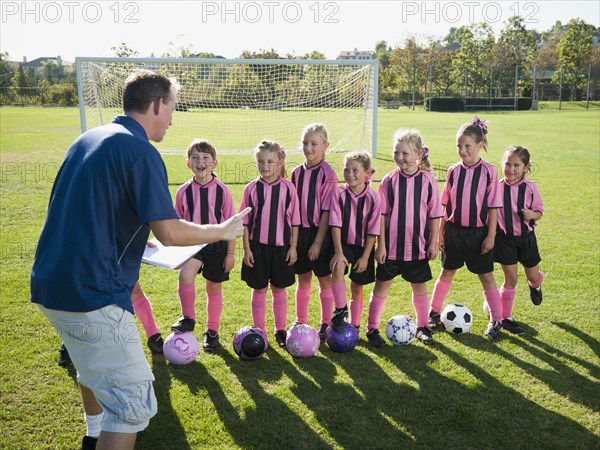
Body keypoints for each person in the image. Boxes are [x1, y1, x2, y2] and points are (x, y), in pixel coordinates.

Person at [30, 70, 249, 450]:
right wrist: (223, 230)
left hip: (51, 285)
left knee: (90, 366)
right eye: (172, 108)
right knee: (132, 406)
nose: (172, 119)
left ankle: (93, 432)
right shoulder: (140, 150)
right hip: (93, 292)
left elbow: (88, 210)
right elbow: (170, 231)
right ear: (156, 104)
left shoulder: (86, 139)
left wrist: (130, 242)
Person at [428, 116, 504, 340]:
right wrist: (441, 232)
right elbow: (445, 204)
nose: (462, 151)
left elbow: (493, 208)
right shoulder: (453, 171)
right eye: (459, 146)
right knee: (446, 272)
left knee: (486, 276)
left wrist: (491, 236)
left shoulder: (490, 171)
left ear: (480, 145)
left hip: (478, 234)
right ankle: (433, 313)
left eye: (467, 146)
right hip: (453, 231)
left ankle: (496, 319)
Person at [366, 130, 442, 347]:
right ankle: (372, 328)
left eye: (405, 153)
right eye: (396, 152)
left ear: (418, 154)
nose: (400, 157)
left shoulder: (427, 181)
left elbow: (435, 214)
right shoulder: (389, 181)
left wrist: (433, 242)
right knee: (381, 287)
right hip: (390, 249)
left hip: (417, 247)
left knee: (419, 287)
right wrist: (381, 245)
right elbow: (382, 214)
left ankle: (423, 326)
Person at [170, 139, 236, 352]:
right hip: (193, 244)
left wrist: (231, 254)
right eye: (195, 157)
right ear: (188, 163)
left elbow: (232, 225)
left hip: (217, 245)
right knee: (185, 275)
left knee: (213, 287)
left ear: (214, 163)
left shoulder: (222, 191)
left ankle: (212, 331)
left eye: (206, 158)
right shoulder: (183, 191)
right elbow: (176, 222)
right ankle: (188, 318)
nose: (201, 161)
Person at [240, 140, 300, 348]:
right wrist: (246, 249)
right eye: (260, 162)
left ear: (281, 163)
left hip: (282, 247)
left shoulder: (289, 188)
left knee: (279, 288)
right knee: (259, 289)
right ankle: (260, 330)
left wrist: (293, 246)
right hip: (257, 247)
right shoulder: (251, 189)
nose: (265, 166)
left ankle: (280, 329)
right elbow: (245, 223)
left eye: (270, 161)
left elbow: (295, 221)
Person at [291, 123, 339, 340]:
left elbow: (328, 212)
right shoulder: (296, 173)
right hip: (300, 234)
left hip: (320, 234)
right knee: (303, 279)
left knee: (324, 280)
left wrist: (318, 242)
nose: (308, 148)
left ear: (325, 146)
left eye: (314, 144)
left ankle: (326, 322)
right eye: (305, 143)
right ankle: (301, 321)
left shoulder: (328, 174)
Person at [492, 145, 544, 334]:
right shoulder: (496, 187)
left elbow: (539, 212)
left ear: (525, 168)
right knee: (511, 279)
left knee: (532, 276)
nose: (511, 169)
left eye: (516, 165)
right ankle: (505, 317)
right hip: (504, 240)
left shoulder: (531, 188)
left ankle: (536, 285)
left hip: (527, 238)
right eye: (507, 164)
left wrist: (532, 214)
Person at [329, 152, 381, 335]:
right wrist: (338, 252)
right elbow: (334, 223)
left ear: (367, 173)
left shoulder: (374, 198)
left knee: (357, 287)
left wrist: (366, 257)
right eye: (346, 170)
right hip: (342, 245)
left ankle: (355, 326)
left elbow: (373, 231)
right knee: (337, 268)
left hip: (362, 248)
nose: (350, 174)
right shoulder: (338, 193)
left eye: (355, 170)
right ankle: (341, 309)